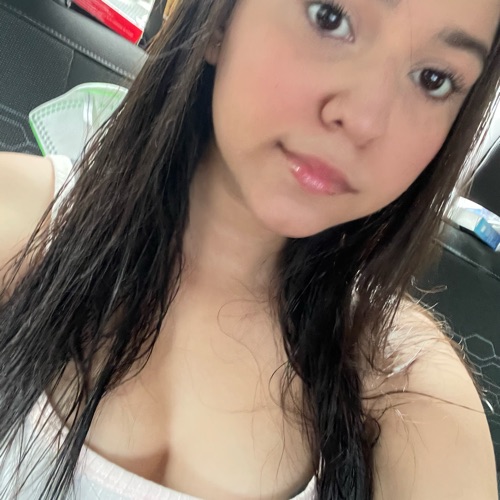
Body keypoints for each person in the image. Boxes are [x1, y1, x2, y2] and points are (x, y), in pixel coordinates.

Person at [0, 0, 499, 498]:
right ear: (220, 19)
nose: (365, 119)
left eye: (434, 79)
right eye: (329, 18)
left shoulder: (413, 392)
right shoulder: (18, 222)